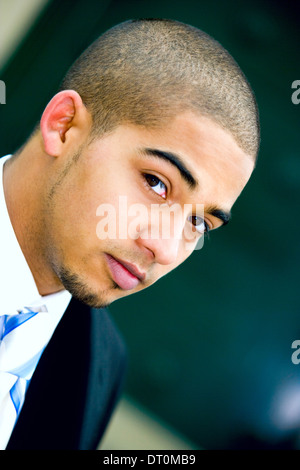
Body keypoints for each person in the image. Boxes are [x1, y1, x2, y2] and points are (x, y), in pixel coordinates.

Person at [0, 18, 259, 449]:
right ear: (63, 126)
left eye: (198, 223)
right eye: (157, 183)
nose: (163, 247)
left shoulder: (103, 361)